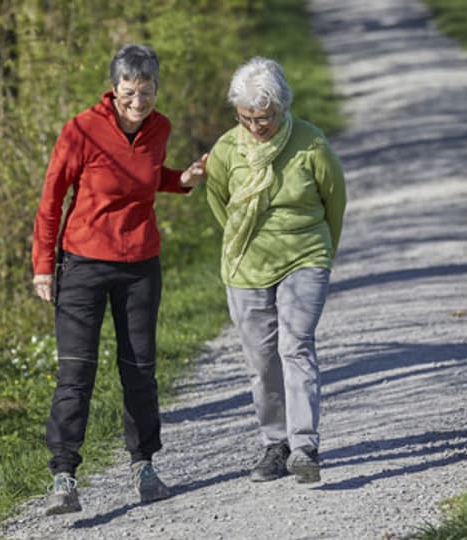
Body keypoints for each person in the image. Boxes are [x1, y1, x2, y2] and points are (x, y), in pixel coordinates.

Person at [31, 43, 207, 515]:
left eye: (145, 92)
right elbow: (51, 200)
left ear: (155, 89)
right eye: (128, 92)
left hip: (139, 265)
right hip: (83, 263)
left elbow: (145, 178)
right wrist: (43, 266)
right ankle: (64, 476)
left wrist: (181, 179)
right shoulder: (81, 130)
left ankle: (144, 465)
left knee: (140, 372)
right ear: (113, 90)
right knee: (75, 373)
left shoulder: (160, 128)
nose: (137, 101)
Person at [204, 57, 346, 484]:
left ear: (282, 108)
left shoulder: (310, 144)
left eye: (263, 117)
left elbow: (334, 202)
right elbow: (220, 205)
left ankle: (304, 446)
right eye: (246, 117)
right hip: (246, 264)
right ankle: (275, 443)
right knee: (261, 360)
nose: (255, 126)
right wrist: (243, 244)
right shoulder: (228, 150)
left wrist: (321, 254)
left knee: (294, 346)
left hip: (304, 257)